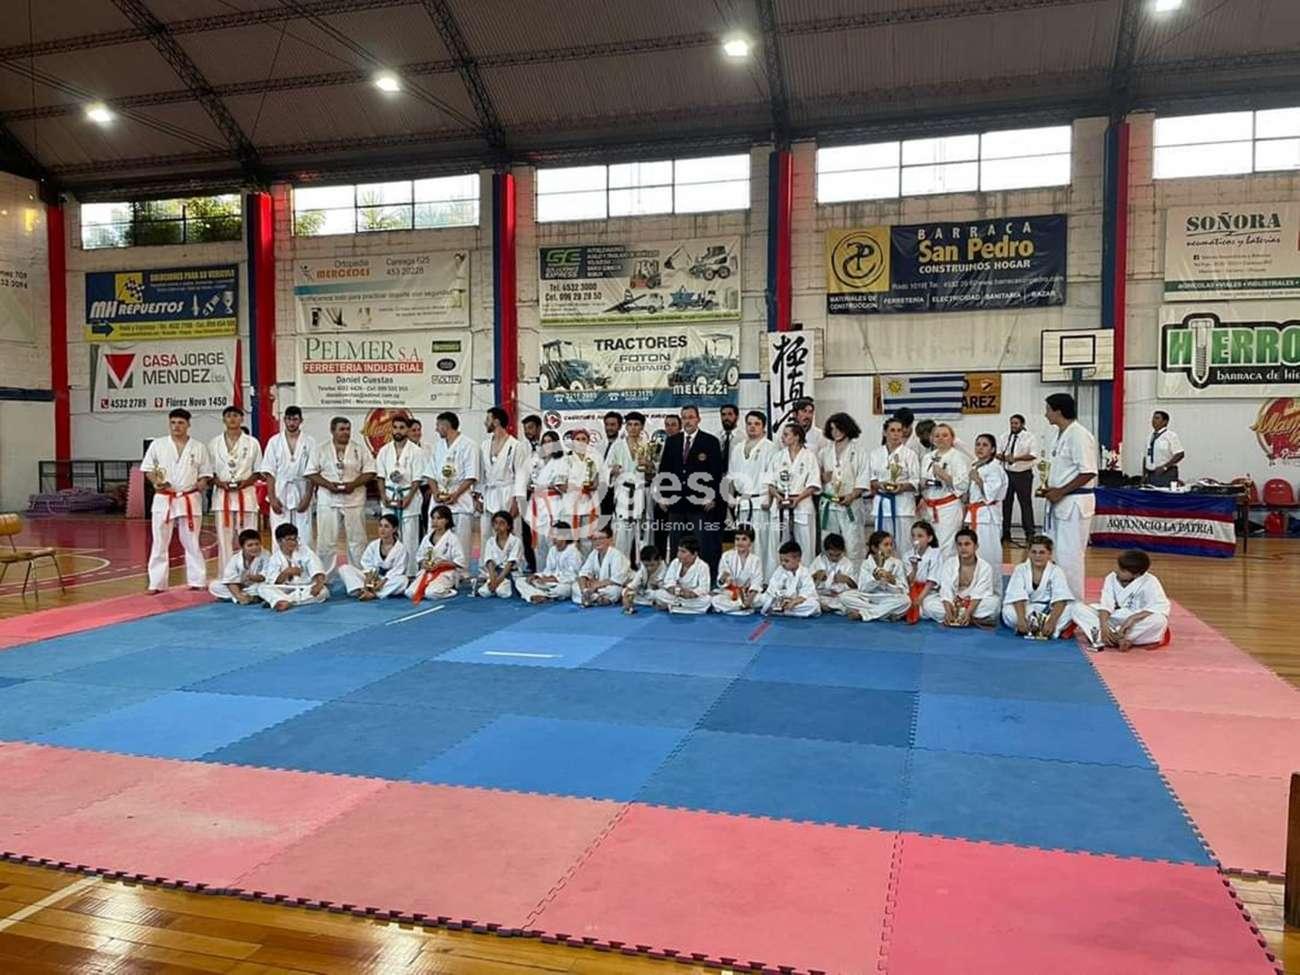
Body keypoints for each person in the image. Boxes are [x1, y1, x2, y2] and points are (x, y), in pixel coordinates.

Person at [143, 408, 212, 593]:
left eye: (181, 423)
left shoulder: (198, 447)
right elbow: (148, 469)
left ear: (188, 424)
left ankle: (197, 580)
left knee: (192, 541)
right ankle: (157, 583)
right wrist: (156, 482)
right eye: (173, 422)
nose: (176, 426)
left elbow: (205, 473)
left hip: (189, 497)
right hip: (165, 497)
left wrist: (202, 482)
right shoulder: (158, 445)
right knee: (159, 542)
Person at [1040, 393, 1099, 605]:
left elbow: (1089, 471)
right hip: (1060, 501)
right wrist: (1051, 488)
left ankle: (1073, 604)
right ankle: (1058, 599)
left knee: (1070, 557)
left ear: (1058, 411)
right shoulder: (1060, 434)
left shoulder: (1079, 435)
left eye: (1048, 409)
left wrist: (1061, 491)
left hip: (1074, 503)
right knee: (1056, 554)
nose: (1045, 414)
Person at [657, 404, 724, 574]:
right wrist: (663, 495)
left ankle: (704, 578)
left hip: (700, 503)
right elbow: (664, 470)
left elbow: (716, 473)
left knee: (702, 544)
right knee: (676, 543)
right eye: (684, 417)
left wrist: (712, 496)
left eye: (691, 417)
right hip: (676, 503)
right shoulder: (672, 441)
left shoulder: (710, 441)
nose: (688, 421)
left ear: (698, 419)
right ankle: (674, 577)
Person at [306, 417, 375, 568]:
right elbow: (311, 473)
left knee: (358, 540)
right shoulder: (320, 449)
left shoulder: (359, 449)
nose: (346, 432)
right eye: (342, 429)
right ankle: (324, 574)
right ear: (332, 431)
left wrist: (353, 484)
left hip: (354, 499)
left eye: (348, 429)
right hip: (328, 499)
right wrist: (328, 485)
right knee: (326, 541)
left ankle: (358, 573)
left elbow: (370, 471)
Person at [1073, 549, 1171, 652]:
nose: (1118, 571)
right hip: (1113, 617)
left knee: (1159, 620)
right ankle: (1118, 638)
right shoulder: (1111, 578)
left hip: (1135, 622)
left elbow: (1160, 606)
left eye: (1123, 571)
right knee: (1077, 608)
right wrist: (1103, 626)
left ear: (1137, 574)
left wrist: (1132, 618)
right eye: (1119, 567)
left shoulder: (1150, 581)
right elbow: (1106, 604)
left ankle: (1111, 638)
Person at [208, 405, 263, 569]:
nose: (232, 418)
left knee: (249, 538)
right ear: (223, 420)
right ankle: (227, 574)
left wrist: (246, 482)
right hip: (222, 497)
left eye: (236, 415)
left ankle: (252, 572)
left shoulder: (252, 443)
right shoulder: (213, 443)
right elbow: (208, 472)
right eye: (229, 416)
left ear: (242, 419)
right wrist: (219, 482)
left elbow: (258, 471)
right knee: (223, 539)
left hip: (246, 495)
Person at [765, 422, 820, 567]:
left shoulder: (809, 457)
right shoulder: (777, 457)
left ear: (796, 437)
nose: (782, 437)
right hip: (780, 504)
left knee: (805, 544)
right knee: (776, 544)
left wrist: (797, 499)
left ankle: (805, 576)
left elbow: (813, 484)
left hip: (802, 504)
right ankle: (775, 577)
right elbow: (770, 483)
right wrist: (778, 497)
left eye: (786, 434)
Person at [729, 410, 777, 577]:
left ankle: (762, 580)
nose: (752, 427)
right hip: (742, 502)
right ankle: (744, 579)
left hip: (760, 501)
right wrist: (730, 498)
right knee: (742, 544)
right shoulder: (737, 448)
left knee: (760, 543)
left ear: (764, 427)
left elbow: (772, 476)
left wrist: (769, 499)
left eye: (757, 424)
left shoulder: (770, 447)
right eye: (749, 423)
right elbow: (732, 476)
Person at [261, 406, 317, 548]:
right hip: (280, 490)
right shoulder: (274, 441)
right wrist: (272, 498)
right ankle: (279, 562)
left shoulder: (310, 442)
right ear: (284, 420)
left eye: (295, 419)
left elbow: (313, 473)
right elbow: (269, 472)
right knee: (279, 532)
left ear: (301, 421)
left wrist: (308, 497)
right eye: (289, 419)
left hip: (302, 489)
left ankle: (303, 562)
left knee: (304, 534)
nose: (292, 423)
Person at [374, 414, 424, 573]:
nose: (398, 431)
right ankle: (391, 570)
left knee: (409, 538)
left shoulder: (416, 451)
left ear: (408, 430)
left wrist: (409, 498)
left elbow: (417, 479)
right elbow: (380, 476)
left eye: (402, 428)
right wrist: (383, 496)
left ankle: (410, 572)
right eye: (395, 427)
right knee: (389, 536)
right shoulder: (384, 451)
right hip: (389, 496)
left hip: (409, 496)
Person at [922, 527, 1000, 627]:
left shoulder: (985, 567)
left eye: (967, 544)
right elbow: (946, 590)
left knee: (994, 604)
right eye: (960, 544)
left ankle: (965, 617)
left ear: (976, 546)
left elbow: (980, 593)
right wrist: (948, 611)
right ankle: (968, 619)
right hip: (953, 602)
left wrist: (968, 612)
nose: (963, 548)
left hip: (972, 603)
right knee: (928, 604)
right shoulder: (949, 564)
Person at [1001, 535, 1075, 638]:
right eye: (1034, 552)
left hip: (1047, 611)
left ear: (1049, 554)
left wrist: (1052, 621)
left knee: (1073, 608)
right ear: (1028, 553)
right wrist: (1021, 619)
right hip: (1027, 609)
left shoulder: (1056, 571)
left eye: (1042, 552)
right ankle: (1047, 628)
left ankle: (1043, 627)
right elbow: (1016, 596)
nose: (1037, 556)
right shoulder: (1020, 569)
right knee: (1008, 611)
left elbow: (1061, 599)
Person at [861, 416, 920, 546]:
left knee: (904, 546)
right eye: (892, 430)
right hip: (882, 505)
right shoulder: (875, 454)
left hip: (903, 507)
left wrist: (901, 487)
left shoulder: (910, 454)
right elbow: (871, 478)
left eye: (899, 430)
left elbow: (915, 481)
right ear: (884, 432)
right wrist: (879, 485)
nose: (896, 434)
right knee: (882, 545)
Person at [430, 412, 479, 563]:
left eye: (438, 425)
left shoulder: (469, 445)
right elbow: (430, 473)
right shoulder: (438, 446)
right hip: (439, 498)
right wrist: (435, 492)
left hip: (460, 498)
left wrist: (456, 494)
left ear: (446, 426)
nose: (436, 429)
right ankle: (436, 569)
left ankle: (461, 571)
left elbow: (471, 476)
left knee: (461, 541)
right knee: (436, 539)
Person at [607, 411, 655, 562]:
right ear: (625, 427)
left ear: (642, 427)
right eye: (630, 424)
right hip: (623, 493)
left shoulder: (648, 446)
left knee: (644, 532)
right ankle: (621, 568)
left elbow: (654, 474)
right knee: (622, 533)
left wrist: (649, 466)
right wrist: (612, 470)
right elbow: (605, 469)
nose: (633, 428)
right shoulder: (617, 446)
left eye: (636, 425)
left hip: (642, 492)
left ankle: (644, 568)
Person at [818, 413, 866, 562]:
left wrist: (851, 496)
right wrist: (822, 477)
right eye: (832, 429)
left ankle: (853, 575)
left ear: (847, 428)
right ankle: (828, 574)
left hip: (850, 504)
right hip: (829, 503)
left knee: (852, 545)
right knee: (828, 543)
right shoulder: (824, 452)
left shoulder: (859, 452)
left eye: (838, 428)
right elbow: (814, 477)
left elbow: (863, 479)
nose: (835, 432)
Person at [478, 407, 526, 553]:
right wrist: (478, 497)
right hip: (488, 494)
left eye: (488, 419)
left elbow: (521, 475)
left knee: (512, 533)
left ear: (496, 421)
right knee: (486, 534)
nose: (485, 423)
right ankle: (486, 565)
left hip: (508, 494)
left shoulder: (516, 445)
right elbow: (481, 473)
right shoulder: (484, 445)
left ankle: (513, 564)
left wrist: (517, 502)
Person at [966, 433, 1008, 592]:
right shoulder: (976, 466)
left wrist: (977, 480)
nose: (980, 448)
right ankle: (977, 588)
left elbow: (990, 495)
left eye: (985, 445)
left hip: (987, 517)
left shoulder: (995, 468)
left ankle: (993, 589)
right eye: (978, 444)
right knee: (975, 554)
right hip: (975, 515)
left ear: (993, 449)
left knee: (988, 555)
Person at [920, 423, 970, 556]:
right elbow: (922, 482)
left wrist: (945, 476)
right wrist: (923, 484)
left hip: (948, 507)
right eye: (937, 436)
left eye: (945, 435)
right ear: (932, 439)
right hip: (929, 507)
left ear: (952, 438)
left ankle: (947, 569)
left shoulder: (958, 457)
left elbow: (964, 485)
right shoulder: (927, 457)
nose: (941, 438)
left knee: (946, 546)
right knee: (931, 546)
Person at [840, 530, 910, 622]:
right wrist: (875, 579)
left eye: (891, 544)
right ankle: (884, 613)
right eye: (886, 545)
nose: (890, 548)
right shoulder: (866, 564)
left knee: (906, 601)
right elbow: (862, 588)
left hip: (888, 597)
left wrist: (892, 581)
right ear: (874, 548)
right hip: (869, 597)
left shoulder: (897, 563)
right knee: (844, 596)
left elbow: (905, 590)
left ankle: (864, 614)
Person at [338, 514, 410, 600]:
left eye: (386, 526)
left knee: (403, 580)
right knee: (344, 568)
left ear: (394, 529)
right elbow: (366, 562)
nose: (382, 529)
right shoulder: (373, 545)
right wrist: (370, 578)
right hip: (372, 577)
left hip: (388, 580)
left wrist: (383, 581)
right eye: (380, 526)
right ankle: (361, 590)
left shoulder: (401, 549)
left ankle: (374, 594)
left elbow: (398, 569)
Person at [260, 522, 329, 611]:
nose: (293, 542)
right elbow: (274, 582)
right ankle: (286, 600)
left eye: (295, 539)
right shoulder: (275, 558)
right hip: (286, 589)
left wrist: (319, 585)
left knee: (323, 592)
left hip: (306, 587)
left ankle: (281, 601)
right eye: (289, 539)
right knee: (262, 588)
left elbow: (317, 568)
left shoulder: (305, 551)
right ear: (279, 541)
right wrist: (286, 573)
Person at [524, 432, 568, 564]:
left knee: (551, 539)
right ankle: (540, 570)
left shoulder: (562, 461)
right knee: (538, 542)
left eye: (550, 442)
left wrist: (549, 486)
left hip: (552, 503)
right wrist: (529, 486)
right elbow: (528, 480)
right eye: (544, 442)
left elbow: (563, 486)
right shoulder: (536, 460)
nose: (547, 445)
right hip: (536, 502)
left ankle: (554, 570)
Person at [407, 504, 466, 602]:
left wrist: (442, 564)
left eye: (439, 518)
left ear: (447, 520)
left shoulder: (452, 538)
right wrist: (424, 563)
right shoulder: (427, 538)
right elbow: (419, 556)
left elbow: (460, 561)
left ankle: (450, 591)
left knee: (431, 593)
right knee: (410, 593)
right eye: (433, 518)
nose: (435, 521)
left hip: (445, 573)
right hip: (428, 571)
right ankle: (431, 587)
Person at [561, 428, 607, 547]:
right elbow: (560, 483)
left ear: (588, 441)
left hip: (590, 500)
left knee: (589, 538)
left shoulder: (596, 458)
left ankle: (589, 559)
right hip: (571, 502)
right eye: (577, 439)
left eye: (583, 439)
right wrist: (571, 488)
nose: (580, 442)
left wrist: (595, 485)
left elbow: (603, 479)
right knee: (571, 538)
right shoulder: (566, 459)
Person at [998, 414, 1038, 545]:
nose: (1013, 426)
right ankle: (1005, 533)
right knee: (1006, 504)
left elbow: (1033, 455)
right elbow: (998, 453)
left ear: (1022, 424)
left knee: (1025, 504)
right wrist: (1003, 457)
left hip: (1023, 474)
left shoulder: (1029, 437)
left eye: (1016, 423)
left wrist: (1016, 458)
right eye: (1011, 423)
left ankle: (1029, 533)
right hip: (1007, 474)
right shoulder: (1005, 437)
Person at [757, 540, 820, 617]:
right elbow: (773, 588)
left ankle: (785, 612)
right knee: (763, 599)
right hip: (781, 601)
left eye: (786, 561)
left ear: (798, 559)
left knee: (814, 605)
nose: (783, 563)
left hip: (797, 602)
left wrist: (794, 601)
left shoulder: (804, 572)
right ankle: (784, 610)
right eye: (781, 560)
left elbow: (807, 592)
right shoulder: (779, 570)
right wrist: (782, 599)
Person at [652, 535, 712, 614]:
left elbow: (704, 588)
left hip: (692, 598)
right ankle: (682, 607)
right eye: (679, 551)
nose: (678, 554)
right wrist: (676, 590)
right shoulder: (675, 562)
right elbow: (668, 582)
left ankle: (673, 606)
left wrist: (690, 594)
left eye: (683, 552)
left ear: (694, 554)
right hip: (676, 595)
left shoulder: (703, 566)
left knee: (707, 600)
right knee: (658, 594)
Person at [573, 525, 631, 607]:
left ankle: (593, 598)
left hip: (611, 586)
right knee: (575, 586)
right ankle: (595, 598)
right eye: (594, 539)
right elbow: (583, 573)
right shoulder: (593, 554)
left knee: (615, 591)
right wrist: (584, 590)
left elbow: (617, 579)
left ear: (610, 539)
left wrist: (597, 585)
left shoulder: (616, 555)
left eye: (601, 538)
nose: (597, 542)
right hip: (597, 588)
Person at [711, 525, 763, 615]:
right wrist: (723, 578)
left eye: (744, 539)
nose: (740, 542)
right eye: (737, 539)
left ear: (751, 542)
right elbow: (721, 581)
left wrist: (749, 600)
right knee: (715, 599)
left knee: (764, 599)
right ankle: (740, 607)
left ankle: (736, 607)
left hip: (748, 594)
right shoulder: (727, 556)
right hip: (730, 593)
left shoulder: (756, 560)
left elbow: (757, 582)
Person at [210, 528, 270, 604]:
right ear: (242, 547)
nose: (254, 547)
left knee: (265, 587)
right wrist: (238, 595)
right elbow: (230, 580)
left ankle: (237, 598)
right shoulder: (235, 559)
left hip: (257, 585)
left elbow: (266, 576)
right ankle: (246, 598)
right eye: (250, 545)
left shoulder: (266, 555)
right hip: (239, 587)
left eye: (257, 544)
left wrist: (253, 578)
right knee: (214, 586)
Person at [475, 510, 524, 599]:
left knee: (502, 592)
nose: (498, 526)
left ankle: (507, 586)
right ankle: (493, 585)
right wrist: (492, 579)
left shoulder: (515, 541)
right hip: (495, 573)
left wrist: (498, 581)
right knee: (483, 592)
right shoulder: (490, 541)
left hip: (510, 573)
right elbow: (489, 561)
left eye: (502, 523)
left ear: (508, 526)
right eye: (495, 523)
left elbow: (510, 563)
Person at [518, 414, 544, 571]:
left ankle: (544, 561)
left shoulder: (548, 445)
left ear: (539, 428)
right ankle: (530, 562)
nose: (527, 431)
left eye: (530, 428)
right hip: (527, 493)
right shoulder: (521, 447)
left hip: (544, 494)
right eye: (525, 429)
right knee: (526, 529)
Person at [905, 520, 943, 624]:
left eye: (920, 536)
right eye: (913, 536)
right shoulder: (907, 555)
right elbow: (908, 581)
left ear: (929, 538)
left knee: (931, 607)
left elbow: (932, 580)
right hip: (911, 591)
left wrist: (920, 599)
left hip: (928, 593)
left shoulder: (936, 553)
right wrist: (914, 568)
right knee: (903, 603)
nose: (916, 539)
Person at [810, 532, 856, 613]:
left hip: (840, 597)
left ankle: (829, 607)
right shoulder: (818, 561)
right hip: (822, 595)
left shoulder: (847, 563)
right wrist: (815, 576)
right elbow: (807, 584)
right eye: (830, 555)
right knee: (809, 598)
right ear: (825, 551)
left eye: (838, 555)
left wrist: (848, 580)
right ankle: (824, 606)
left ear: (843, 551)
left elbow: (855, 587)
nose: (834, 558)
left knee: (851, 597)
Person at [621, 543, 666, 614]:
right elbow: (632, 586)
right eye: (646, 565)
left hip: (656, 595)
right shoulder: (643, 569)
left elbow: (666, 590)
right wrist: (625, 599)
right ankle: (649, 602)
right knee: (625, 592)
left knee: (661, 597)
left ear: (659, 560)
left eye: (652, 565)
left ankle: (652, 602)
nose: (649, 568)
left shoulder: (665, 570)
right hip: (644, 595)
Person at [1144, 411, 1185, 487]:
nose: (1153, 420)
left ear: (1165, 422)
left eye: (1157, 418)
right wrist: (1144, 475)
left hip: (1166, 473)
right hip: (1150, 474)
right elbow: (1147, 456)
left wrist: (1165, 467)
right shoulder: (1150, 437)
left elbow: (1180, 454)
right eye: (1153, 418)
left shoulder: (1171, 435)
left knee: (1163, 493)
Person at [408, 417, 434, 540]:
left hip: (426, 487)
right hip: (409, 488)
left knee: (427, 519)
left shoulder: (428, 448)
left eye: (419, 430)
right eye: (413, 430)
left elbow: (433, 469)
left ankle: (427, 544)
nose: (417, 433)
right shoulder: (403, 449)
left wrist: (431, 488)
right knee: (413, 522)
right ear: (407, 432)